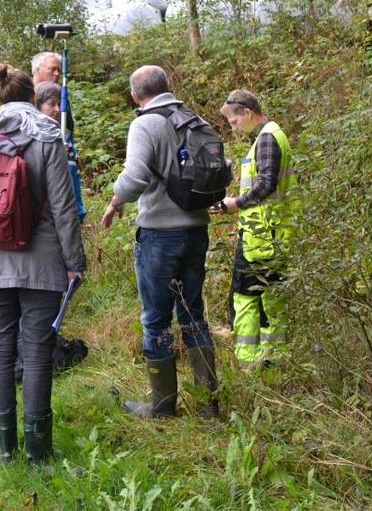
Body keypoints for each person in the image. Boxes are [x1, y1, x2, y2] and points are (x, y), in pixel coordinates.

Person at [0, 63, 85, 465]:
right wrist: (74, 262)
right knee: (38, 353)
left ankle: (6, 450)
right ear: (31, 97)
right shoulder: (48, 137)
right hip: (41, 264)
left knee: (2, 350)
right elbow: (63, 209)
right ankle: (38, 453)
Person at [101, 65, 218, 419]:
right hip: (197, 230)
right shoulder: (194, 119)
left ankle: (163, 407)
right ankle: (209, 406)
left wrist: (115, 200)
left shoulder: (144, 123)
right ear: (167, 87)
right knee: (194, 317)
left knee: (156, 320)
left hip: (160, 235)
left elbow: (134, 176)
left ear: (136, 95)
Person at [218, 90, 294, 365]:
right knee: (273, 296)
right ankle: (275, 358)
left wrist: (235, 203)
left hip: (260, 236)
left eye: (235, 122)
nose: (235, 128)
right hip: (274, 233)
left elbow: (265, 184)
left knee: (245, 297)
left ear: (247, 113)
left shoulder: (266, 139)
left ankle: (248, 361)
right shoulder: (273, 135)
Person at [35, 82, 86, 221]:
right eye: (51, 104)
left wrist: (78, 210)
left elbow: (72, 175)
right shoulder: (32, 137)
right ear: (37, 103)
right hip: (44, 216)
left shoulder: (64, 136)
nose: (57, 109)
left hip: (69, 213)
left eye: (59, 104)